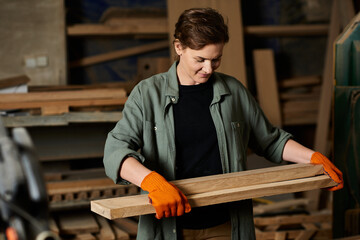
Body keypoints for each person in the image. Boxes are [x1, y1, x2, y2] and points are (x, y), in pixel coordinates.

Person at [103, 7, 343, 240]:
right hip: (169, 225)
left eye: (216, 59)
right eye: (200, 59)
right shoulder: (147, 94)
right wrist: (151, 181)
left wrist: (312, 158)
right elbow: (115, 151)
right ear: (179, 47)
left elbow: (270, 140)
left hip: (226, 223)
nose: (208, 69)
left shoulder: (233, 91)